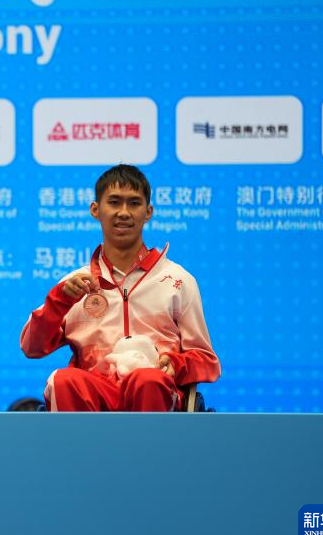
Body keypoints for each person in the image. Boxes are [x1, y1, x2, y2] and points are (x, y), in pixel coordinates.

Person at [20, 164, 220, 411]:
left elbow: (207, 362)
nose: (124, 212)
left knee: (148, 379)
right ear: (96, 210)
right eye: (114, 202)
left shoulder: (176, 280)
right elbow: (31, 347)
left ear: (148, 212)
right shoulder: (74, 284)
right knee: (64, 380)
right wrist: (59, 300)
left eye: (134, 203)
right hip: (94, 396)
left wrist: (176, 364)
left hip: (153, 392)